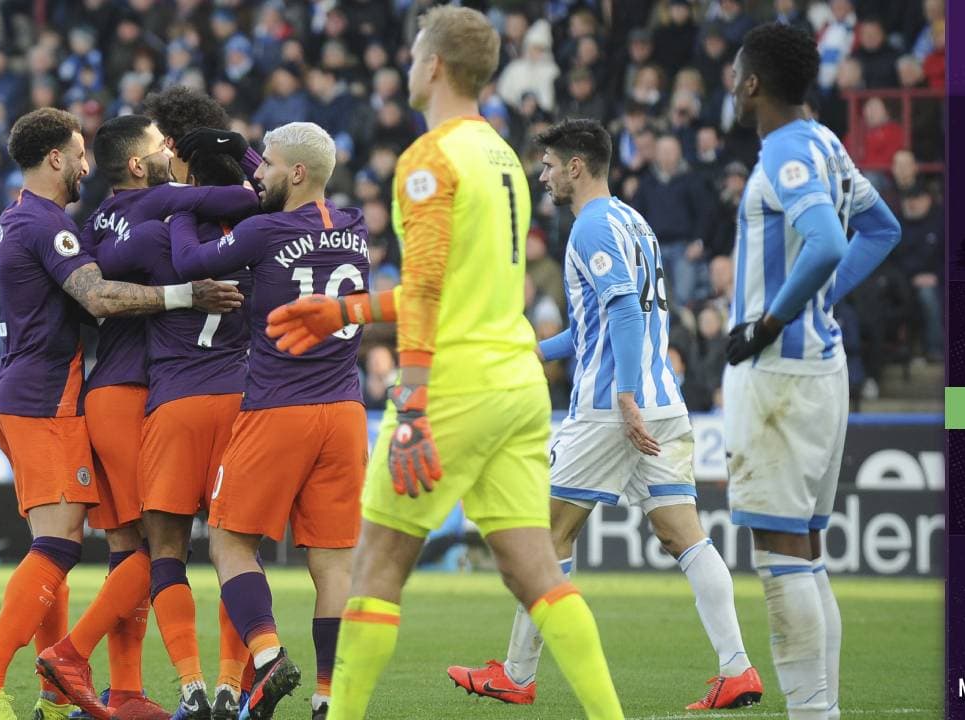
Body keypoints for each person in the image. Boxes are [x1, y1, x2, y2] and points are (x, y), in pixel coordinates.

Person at [267, 7, 624, 720]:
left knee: (374, 567)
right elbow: (458, 285)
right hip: (517, 382)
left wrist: (413, 406)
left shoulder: (429, 159)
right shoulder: (504, 157)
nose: (407, 67)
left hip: (455, 385)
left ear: (433, 66)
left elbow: (429, 289)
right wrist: (346, 310)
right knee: (535, 571)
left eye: (413, 56)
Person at [446, 118, 762, 711]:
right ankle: (738, 668)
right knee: (683, 534)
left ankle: (517, 673)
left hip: (611, 407)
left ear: (575, 166)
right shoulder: (633, 222)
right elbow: (598, 323)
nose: (542, 176)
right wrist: (537, 352)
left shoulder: (590, 226)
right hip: (662, 400)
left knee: (545, 534)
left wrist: (625, 395)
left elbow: (622, 311)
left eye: (547, 165)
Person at [0, 107, 242, 720]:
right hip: (47, 399)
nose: (87, 167)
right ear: (56, 158)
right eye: (79, 154)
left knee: (69, 544)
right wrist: (184, 293)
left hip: (34, 394)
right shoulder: (49, 225)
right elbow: (99, 296)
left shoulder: (22, 219)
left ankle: (63, 697)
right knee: (94, 547)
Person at [34, 113, 260, 720]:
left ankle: (126, 691)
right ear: (139, 164)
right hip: (143, 390)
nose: (170, 151)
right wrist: (241, 155)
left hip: (105, 389)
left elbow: (86, 292)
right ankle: (73, 655)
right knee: (171, 550)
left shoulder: (96, 222)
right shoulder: (165, 210)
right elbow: (248, 194)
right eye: (163, 145)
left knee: (125, 546)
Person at [721, 24, 900, 720]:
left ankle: (812, 713)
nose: (732, 86)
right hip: (822, 370)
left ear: (753, 83)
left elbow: (826, 242)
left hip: (780, 375)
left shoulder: (789, 149)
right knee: (806, 553)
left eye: (737, 75)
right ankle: (823, 712)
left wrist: (771, 321)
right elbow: (881, 230)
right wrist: (820, 298)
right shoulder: (825, 141)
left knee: (780, 555)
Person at [167, 121, 370, 720]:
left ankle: (267, 654)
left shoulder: (263, 231)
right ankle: (330, 697)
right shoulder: (356, 227)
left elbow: (189, 261)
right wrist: (249, 152)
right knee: (333, 563)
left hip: (279, 408)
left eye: (269, 165)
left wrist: (182, 199)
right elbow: (286, 181)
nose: (258, 176)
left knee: (230, 541)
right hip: (346, 412)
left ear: (297, 173)